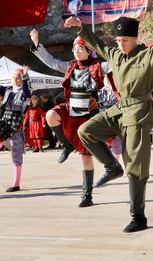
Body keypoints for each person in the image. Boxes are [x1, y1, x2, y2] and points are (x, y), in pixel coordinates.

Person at [69, 7, 153, 233]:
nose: (120, 44)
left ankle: (138, 217)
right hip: (119, 110)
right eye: (118, 40)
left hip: (139, 113)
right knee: (86, 130)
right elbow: (98, 45)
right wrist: (80, 28)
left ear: (135, 38)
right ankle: (111, 167)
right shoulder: (115, 53)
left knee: (135, 166)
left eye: (125, 40)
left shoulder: (148, 55)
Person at [30, 29, 113, 207]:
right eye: (74, 49)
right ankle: (66, 144)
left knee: (86, 157)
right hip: (70, 109)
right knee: (51, 114)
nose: (75, 51)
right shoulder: (70, 66)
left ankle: (87, 195)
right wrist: (37, 43)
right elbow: (51, 62)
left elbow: (117, 63)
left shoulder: (100, 66)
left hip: (88, 115)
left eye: (79, 48)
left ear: (89, 50)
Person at [0, 64, 31, 192]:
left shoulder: (24, 92)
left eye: (18, 78)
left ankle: (16, 183)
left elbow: (27, 91)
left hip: (15, 124)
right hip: (5, 119)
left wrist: (26, 76)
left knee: (16, 154)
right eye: (14, 78)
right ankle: (0, 144)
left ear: (22, 80)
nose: (15, 81)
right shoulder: (8, 90)